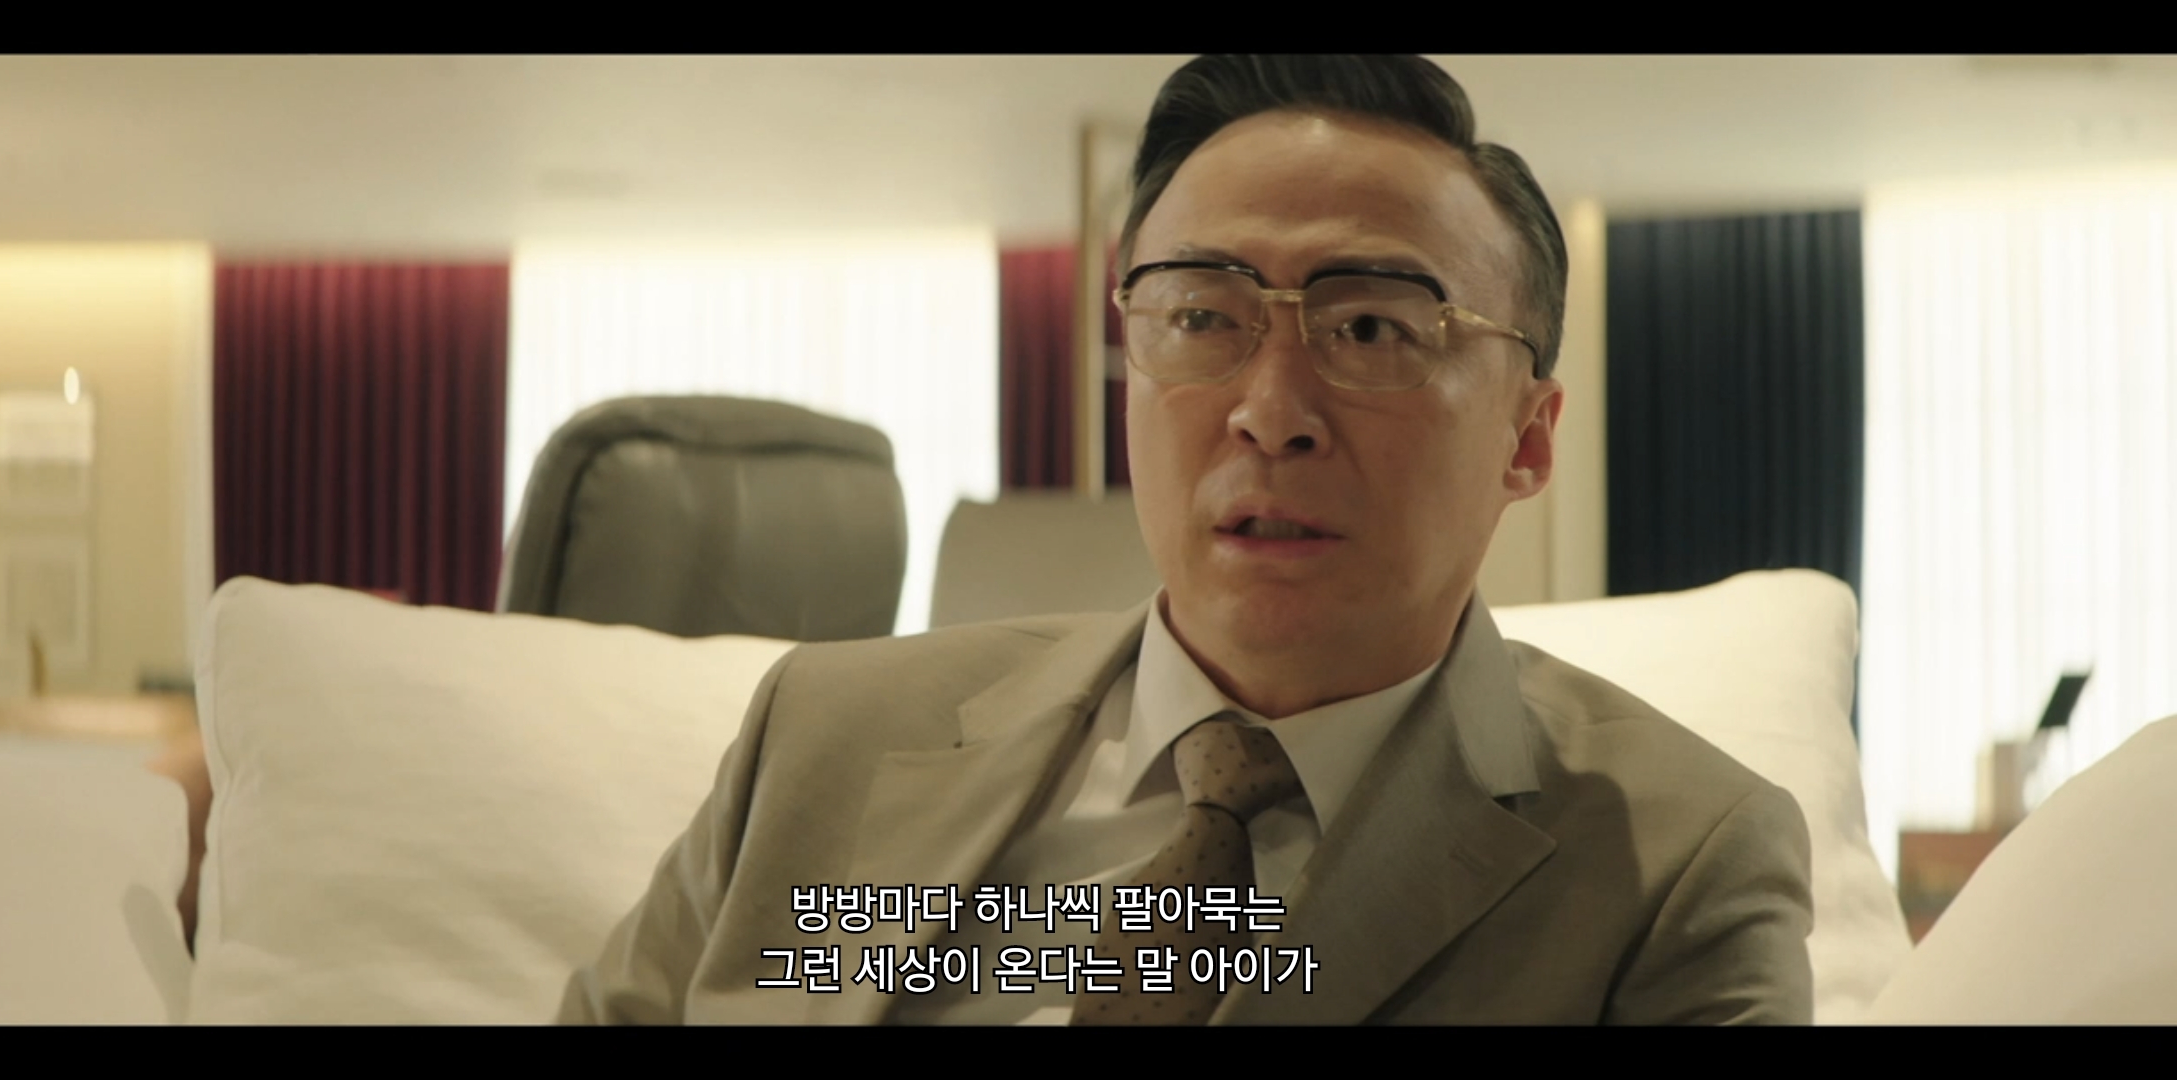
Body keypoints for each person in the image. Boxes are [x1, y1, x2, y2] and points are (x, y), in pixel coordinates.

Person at [556, 54, 1813, 1026]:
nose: (1270, 412)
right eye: (1203, 316)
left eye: (1371, 329)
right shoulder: (822, 733)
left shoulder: (1675, 866)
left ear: (1527, 440)